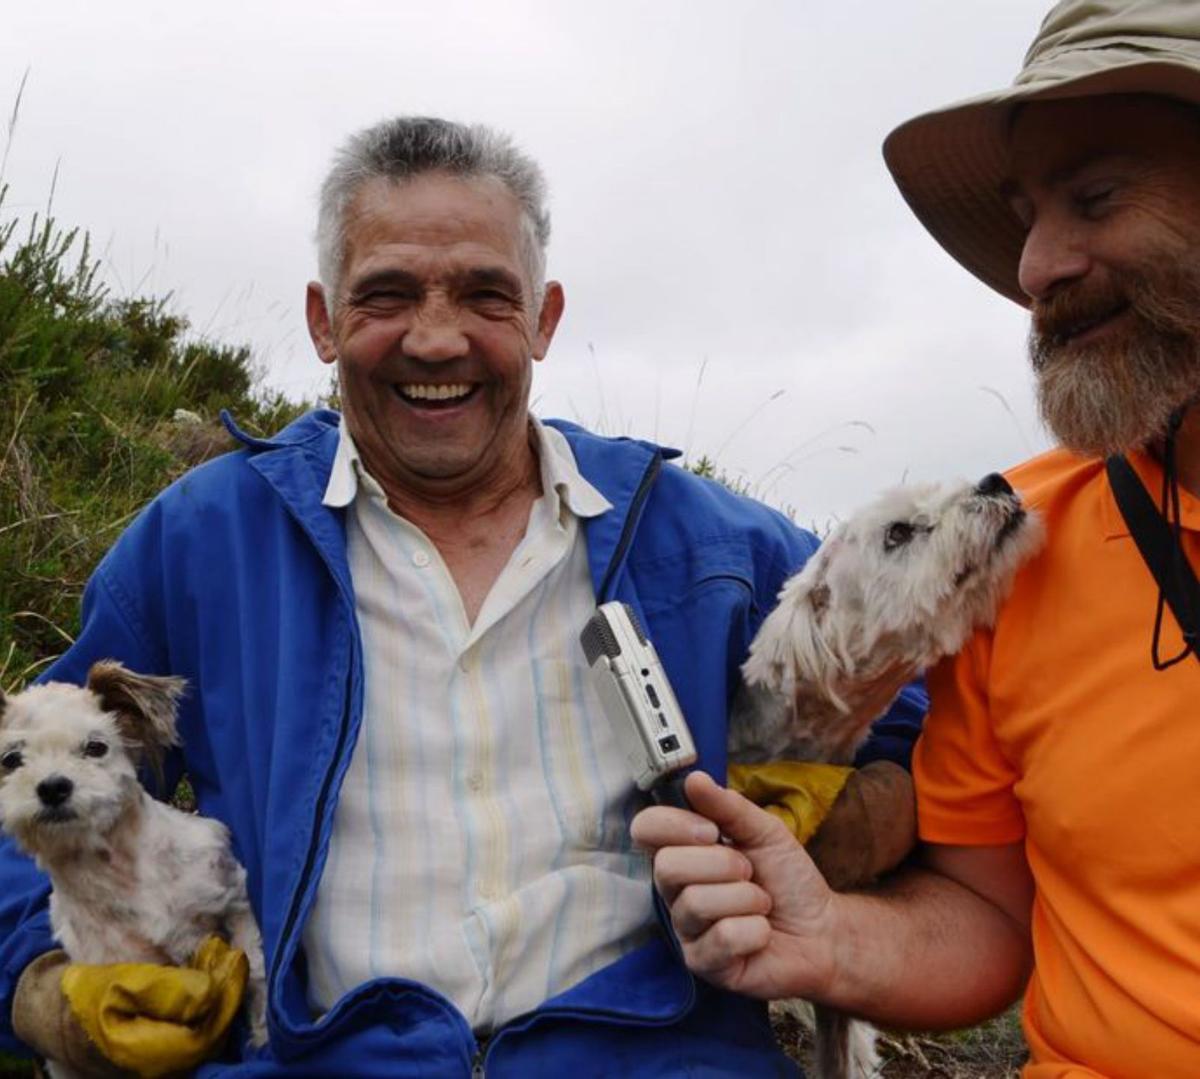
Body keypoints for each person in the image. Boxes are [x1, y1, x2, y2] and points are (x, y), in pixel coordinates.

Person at [0, 117, 925, 1076]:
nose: (436, 339)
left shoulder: (703, 539)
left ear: (543, 317)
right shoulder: (201, 540)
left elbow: (927, 718)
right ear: (322, 320)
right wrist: (39, 983)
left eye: (486, 295)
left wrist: (860, 820)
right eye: (386, 295)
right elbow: (29, 769)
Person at [633, 2, 1200, 1076]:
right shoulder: (1020, 551)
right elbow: (988, 920)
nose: (1033, 267)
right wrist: (828, 935)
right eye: (1026, 215)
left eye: (1097, 196)